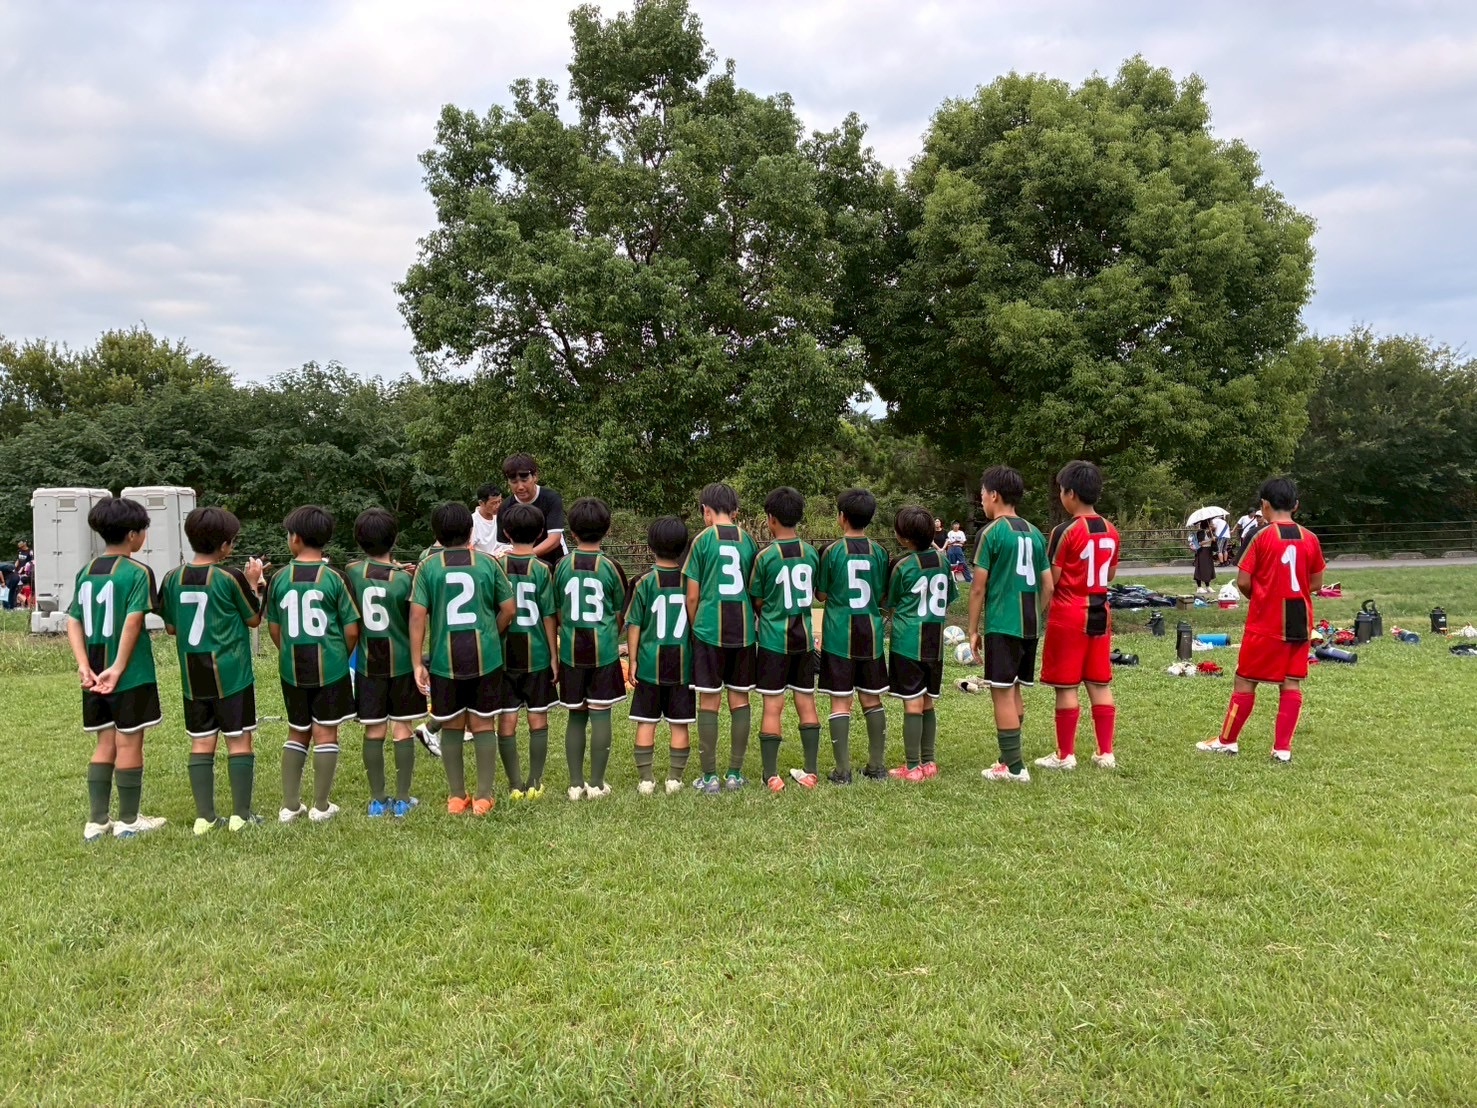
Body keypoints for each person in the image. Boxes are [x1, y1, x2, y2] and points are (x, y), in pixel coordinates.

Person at [1197, 477, 1325, 763]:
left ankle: (1227, 741)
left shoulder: (1261, 536)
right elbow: (1316, 582)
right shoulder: (1310, 538)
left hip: (1266, 618)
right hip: (1299, 619)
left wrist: (1262, 596)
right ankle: (1282, 749)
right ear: (1296, 505)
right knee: (1290, 682)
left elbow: (1243, 581)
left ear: (1264, 505)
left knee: (1245, 679)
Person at [158, 507, 265, 834]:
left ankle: (204, 818)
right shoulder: (229, 577)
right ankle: (241, 816)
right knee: (239, 739)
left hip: (193, 675)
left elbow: (171, 628)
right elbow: (253, 618)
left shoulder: (171, 578)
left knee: (202, 742)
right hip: (232, 674)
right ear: (224, 546)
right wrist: (253, 583)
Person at [66, 497, 165, 841]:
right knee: (129, 742)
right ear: (133, 534)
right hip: (129, 674)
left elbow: (73, 620)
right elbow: (133, 621)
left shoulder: (85, 572)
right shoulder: (138, 572)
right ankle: (128, 820)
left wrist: (83, 665)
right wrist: (119, 668)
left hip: (93, 673)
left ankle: (96, 822)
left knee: (104, 741)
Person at [411, 502, 516, 814]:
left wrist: (417, 663)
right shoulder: (487, 563)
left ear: (437, 534)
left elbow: (417, 616)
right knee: (483, 724)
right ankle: (483, 796)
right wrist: (492, 633)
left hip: (445, 660)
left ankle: (457, 797)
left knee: (453, 726)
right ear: (471, 531)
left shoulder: (427, 566)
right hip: (486, 657)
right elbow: (508, 609)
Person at [265, 505, 361, 823]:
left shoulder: (279, 578)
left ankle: (290, 806)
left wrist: (288, 651)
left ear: (295, 538)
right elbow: (351, 629)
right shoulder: (335, 578)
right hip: (331, 667)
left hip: (292, 668)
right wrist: (339, 655)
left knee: (297, 730)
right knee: (326, 732)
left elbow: (274, 627)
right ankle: (321, 806)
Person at [1036, 461, 1120, 773]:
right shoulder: (1111, 530)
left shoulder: (1064, 531)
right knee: (1099, 682)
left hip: (1069, 615)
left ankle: (1065, 755)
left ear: (1070, 493)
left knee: (1066, 685)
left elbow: (1052, 579)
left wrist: (1037, 611)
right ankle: (1105, 752)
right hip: (1101, 612)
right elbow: (1109, 573)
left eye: (1061, 490)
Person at [966, 466, 1049, 782]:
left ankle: (1015, 769)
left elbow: (977, 588)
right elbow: (1048, 585)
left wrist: (973, 630)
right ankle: (1007, 759)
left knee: (1001, 693)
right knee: (1013, 689)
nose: (981, 501)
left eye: (982, 495)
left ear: (994, 495)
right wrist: (1035, 613)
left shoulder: (991, 533)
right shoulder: (1035, 532)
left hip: (1003, 624)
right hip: (1029, 626)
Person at [345, 508, 425, 819]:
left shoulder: (352, 571)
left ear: (359, 540)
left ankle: (377, 800)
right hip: (402, 662)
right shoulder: (405, 580)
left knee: (374, 730)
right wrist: (398, 568)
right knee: (402, 728)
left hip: (368, 664)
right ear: (394, 538)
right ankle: (402, 799)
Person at [683, 482, 760, 794]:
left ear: (705, 510)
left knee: (709, 701)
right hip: (743, 631)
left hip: (708, 630)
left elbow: (691, 596)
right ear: (735, 511)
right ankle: (734, 774)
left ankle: (709, 777)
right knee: (740, 699)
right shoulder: (748, 540)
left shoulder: (702, 540)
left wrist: (694, 628)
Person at [553, 497, 629, 799]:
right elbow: (620, 611)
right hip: (603, 652)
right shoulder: (611, 567)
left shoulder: (561, 566)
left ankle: (575, 783)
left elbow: (557, 610)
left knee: (576, 715)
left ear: (571, 532)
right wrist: (610, 634)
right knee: (600, 714)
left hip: (571, 652)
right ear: (607, 530)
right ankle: (596, 784)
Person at [815, 488, 892, 783]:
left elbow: (821, 594)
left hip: (839, 637)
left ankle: (842, 771)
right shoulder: (880, 552)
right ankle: (877, 767)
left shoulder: (831, 551)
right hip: (870, 635)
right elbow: (882, 594)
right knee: (872, 699)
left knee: (840, 701)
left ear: (841, 517)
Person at [748, 487, 821, 792]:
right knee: (806, 700)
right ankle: (811, 771)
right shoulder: (812, 553)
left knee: (772, 705)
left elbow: (757, 598)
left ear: (770, 519)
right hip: (803, 641)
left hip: (772, 642)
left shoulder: (765, 557)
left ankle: (771, 775)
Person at [887, 505, 957, 781]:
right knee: (928, 701)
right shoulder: (942, 561)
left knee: (912, 703)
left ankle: (912, 766)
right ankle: (928, 762)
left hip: (907, 642)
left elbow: (891, 601)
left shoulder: (902, 565)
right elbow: (950, 595)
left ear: (904, 538)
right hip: (934, 642)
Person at [626, 515, 695, 794]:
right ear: (683, 546)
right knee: (679, 724)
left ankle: (645, 779)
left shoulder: (643, 582)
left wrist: (632, 660)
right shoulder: (691, 582)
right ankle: (675, 779)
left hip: (649, 663)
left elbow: (634, 624)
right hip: (683, 664)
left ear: (651, 545)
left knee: (646, 721)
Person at [496, 501, 559, 799]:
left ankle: (514, 785)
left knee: (507, 719)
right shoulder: (543, 569)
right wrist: (554, 655)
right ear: (540, 533)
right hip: (536, 653)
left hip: (503, 654)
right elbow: (548, 615)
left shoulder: (497, 566)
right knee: (538, 717)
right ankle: (534, 782)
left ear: (506, 533)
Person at [503, 454, 567, 567]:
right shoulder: (505, 506)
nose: (520, 487)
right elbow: (503, 544)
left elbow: (554, 539)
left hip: (554, 562)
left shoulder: (551, 498)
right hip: (520, 566)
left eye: (524, 480)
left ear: (535, 476)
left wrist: (525, 556)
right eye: (514, 482)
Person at [472, 484, 509, 556]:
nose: (498, 506)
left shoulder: (502, 516)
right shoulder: (473, 522)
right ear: (481, 503)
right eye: (493, 503)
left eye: (499, 501)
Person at [1191, 521, 1216, 589]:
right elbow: (1200, 543)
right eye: (1211, 523)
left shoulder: (1210, 532)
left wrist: (1213, 539)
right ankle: (1199, 587)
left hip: (1208, 551)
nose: (1213, 524)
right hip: (1202, 551)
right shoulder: (1201, 532)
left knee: (1208, 569)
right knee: (1200, 568)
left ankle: (1207, 586)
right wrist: (1210, 540)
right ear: (1207, 525)